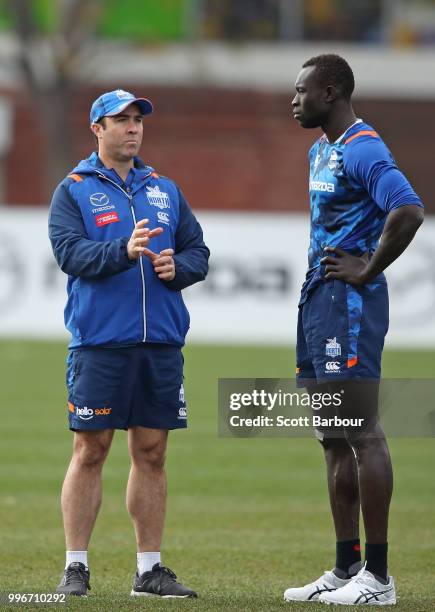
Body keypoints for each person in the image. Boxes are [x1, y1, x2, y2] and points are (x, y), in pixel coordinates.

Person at [49, 89, 209, 598]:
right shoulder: (72, 190)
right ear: (97, 128)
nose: (133, 128)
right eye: (122, 120)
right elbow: (70, 254)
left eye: (138, 120)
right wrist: (124, 250)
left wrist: (176, 267)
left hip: (160, 342)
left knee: (153, 451)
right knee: (90, 448)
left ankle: (149, 571)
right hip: (100, 342)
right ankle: (76, 566)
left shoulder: (164, 188)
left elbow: (197, 250)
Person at [284, 55, 424, 605]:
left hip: (351, 306)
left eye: (302, 90)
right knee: (333, 437)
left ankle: (379, 577)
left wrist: (369, 268)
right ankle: (345, 568)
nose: (293, 99)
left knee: (363, 433)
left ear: (333, 92)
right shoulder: (322, 150)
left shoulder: (363, 146)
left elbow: (407, 209)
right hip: (319, 301)